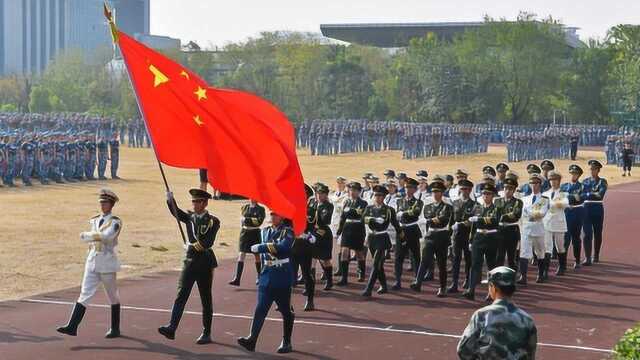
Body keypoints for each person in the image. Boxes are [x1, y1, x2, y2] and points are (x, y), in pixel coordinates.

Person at [57, 189, 123, 338]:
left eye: (105, 203)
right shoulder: (94, 219)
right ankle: (72, 326)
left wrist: (87, 235)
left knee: (113, 296)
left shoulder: (115, 222)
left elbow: (106, 237)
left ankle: (115, 328)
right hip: (92, 260)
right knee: (85, 293)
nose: (102, 205)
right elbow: (99, 237)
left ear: (111, 204)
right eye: (101, 202)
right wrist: (93, 237)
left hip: (106, 262)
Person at [159, 189, 220, 345]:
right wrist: (170, 200)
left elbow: (208, 242)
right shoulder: (190, 218)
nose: (194, 204)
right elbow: (176, 213)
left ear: (205, 203)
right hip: (190, 262)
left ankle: (207, 332)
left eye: (197, 201)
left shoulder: (213, 221)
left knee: (206, 298)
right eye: (193, 201)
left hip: (204, 263)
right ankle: (172, 327)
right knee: (181, 295)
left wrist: (190, 247)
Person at [238, 212, 295, 354]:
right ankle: (252, 339)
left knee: (286, 311)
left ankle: (287, 341)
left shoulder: (288, 232)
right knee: (260, 309)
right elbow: (264, 255)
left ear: (282, 217)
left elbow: (282, 249)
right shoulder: (265, 231)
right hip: (267, 275)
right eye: (271, 214)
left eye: (276, 214)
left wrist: (262, 247)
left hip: (281, 276)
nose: (272, 216)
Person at [457, 266, 537, 360]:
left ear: (493, 288)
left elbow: (463, 350)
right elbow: (530, 354)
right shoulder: (527, 320)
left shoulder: (481, 315)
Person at [410, 180, 452, 296]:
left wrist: (430, 220)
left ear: (442, 193)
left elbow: (443, 220)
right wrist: (432, 220)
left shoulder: (447, 207)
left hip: (442, 236)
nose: (435, 194)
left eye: (437, 192)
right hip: (430, 235)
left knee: (441, 263)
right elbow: (427, 219)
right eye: (433, 192)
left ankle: (442, 287)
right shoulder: (428, 206)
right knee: (425, 259)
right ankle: (418, 282)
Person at [361, 185, 403, 297]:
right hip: (372, 238)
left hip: (382, 237)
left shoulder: (389, 210)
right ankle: (384, 285)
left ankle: (368, 289)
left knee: (375, 264)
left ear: (384, 197)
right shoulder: (369, 208)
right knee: (379, 265)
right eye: (376, 195)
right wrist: (372, 219)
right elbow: (363, 219)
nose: (377, 197)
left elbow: (395, 224)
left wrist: (402, 237)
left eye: (380, 195)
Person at [463, 183, 501, 301]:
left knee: (491, 267)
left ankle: (492, 293)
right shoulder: (477, 207)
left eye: (488, 194)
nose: (485, 196)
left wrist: (479, 219)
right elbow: (473, 226)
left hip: (491, 238)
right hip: (478, 237)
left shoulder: (496, 209)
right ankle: (471, 290)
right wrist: (470, 240)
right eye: (484, 193)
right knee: (475, 265)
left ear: (493, 195)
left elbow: (494, 221)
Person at [335, 181, 369, 285]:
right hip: (347, 228)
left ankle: (361, 272)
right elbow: (342, 217)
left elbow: (361, 216)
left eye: (354, 190)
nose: (352, 192)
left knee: (359, 253)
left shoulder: (363, 203)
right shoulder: (346, 202)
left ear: (359, 192)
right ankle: (344, 278)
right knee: (345, 252)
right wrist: (339, 230)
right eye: (350, 190)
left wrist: (352, 211)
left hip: (358, 229)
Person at [519, 174, 550, 284]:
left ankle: (541, 274)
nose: (534, 185)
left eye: (536, 183)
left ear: (540, 185)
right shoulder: (524, 199)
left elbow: (541, 214)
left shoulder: (544, 200)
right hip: (526, 228)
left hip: (538, 228)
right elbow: (520, 214)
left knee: (540, 252)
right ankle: (523, 277)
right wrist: (529, 214)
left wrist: (528, 212)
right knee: (524, 253)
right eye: (532, 183)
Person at [393, 177, 423, 290]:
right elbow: (396, 214)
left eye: (410, 187)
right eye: (406, 187)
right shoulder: (399, 200)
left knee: (415, 256)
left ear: (415, 189)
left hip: (412, 230)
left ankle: (417, 280)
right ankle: (397, 280)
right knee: (398, 257)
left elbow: (415, 213)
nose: (407, 189)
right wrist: (401, 214)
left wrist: (403, 213)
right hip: (402, 231)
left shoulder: (418, 202)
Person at [448, 179, 476, 294]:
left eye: (466, 189)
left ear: (470, 190)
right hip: (457, 236)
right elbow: (451, 220)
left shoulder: (475, 205)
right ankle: (454, 283)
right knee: (456, 260)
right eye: (462, 189)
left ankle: (468, 280)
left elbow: (474, 222)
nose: (463, 191)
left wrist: (472, 238)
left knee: (469, 260)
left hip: (468, 235)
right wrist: (449, 232)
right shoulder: (455, 203)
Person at [229, 200, 266, 286]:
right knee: (241, 254)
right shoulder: (244, 207)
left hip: (254, 233)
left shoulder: (261, 209)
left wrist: (246, 219)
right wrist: (248, 220)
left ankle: (259, 276)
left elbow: (259, 222)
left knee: (256, 255)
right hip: (245, 233)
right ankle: (237, 278)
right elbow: (243, 221)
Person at [308, 183, 335, 290]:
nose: (319, 195)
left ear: (326, 195)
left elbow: (325, 220)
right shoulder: (313, 203)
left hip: (323, 234)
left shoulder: (328, 206)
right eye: (318, 193)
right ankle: (311, 281)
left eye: (322, 193)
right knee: (312, 258)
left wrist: (314, 212)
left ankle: (329, 280)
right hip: (313, 233)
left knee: (325, 259)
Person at [543, 171, 570, 276]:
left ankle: (562, 266)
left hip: (559, 223)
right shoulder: (545, 194)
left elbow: (563, 204)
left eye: (555, 180)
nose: (553, 182)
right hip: (547, 223)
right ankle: (545, 270)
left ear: (559, 181)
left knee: (560, 246)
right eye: (551, 180)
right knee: (547, 246)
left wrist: (550, 203)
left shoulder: (564, 193)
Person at [582, 160, 607, 265]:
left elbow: (600, 195)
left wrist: (587, 194)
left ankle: (596, 255)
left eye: (594, 169)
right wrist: (591, 194)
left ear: (598, 170)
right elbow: (581, 194)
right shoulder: (585, 181)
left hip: (597, 209)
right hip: (586, 209)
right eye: (591, 169)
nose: (592, 171)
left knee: (597, 233)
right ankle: (587, 257)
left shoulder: (602, 181)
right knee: (586, 234)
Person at [494, 176, 523, 271]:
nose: (508, 191)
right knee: (499, 256)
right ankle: (498, 276)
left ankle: (512, 278)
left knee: (512, 257)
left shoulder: (518, 202)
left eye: (510, 189)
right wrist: (505, 216)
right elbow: (496, 215)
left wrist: (503, 216)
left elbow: (516, 215)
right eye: (506, 188)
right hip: (500, 231)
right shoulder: (498, 201)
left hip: (512, 231)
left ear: (514, 190)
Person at [561, 164, 585, 268]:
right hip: (566, 213)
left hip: (577, 213)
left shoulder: (582, 186)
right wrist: (571, 197)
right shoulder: (564, 186)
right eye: (572, 173)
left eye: (575, 174)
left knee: (576, 238)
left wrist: (567, 196)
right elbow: (560, 197)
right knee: (565, 239)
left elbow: (580, 198)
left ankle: (577, 260)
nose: (573, 176)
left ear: (579, 175)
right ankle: (563, 263)